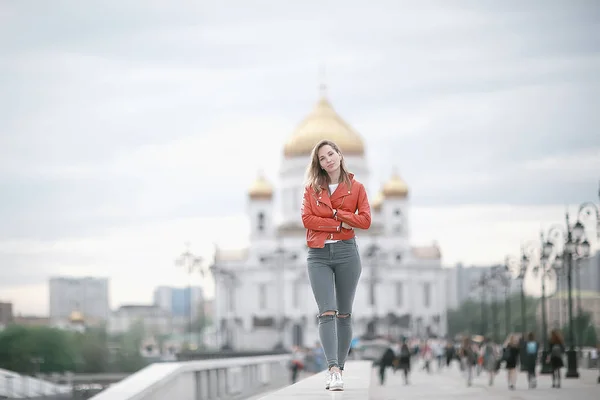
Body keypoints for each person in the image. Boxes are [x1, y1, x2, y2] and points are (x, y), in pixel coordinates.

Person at [301, 139, 371, 392]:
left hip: (346, 254)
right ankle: (331, 369)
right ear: (318, 164)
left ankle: (340, 370)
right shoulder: (312, 189)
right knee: (326, 312)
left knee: (344, 313)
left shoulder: (357, 188)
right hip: (318, 254)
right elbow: (307, 219)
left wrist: (333, 214)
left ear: (340, 155)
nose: (328, 159)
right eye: (322, 158)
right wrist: (340, 224)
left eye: (331, 154)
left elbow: (365, 221)